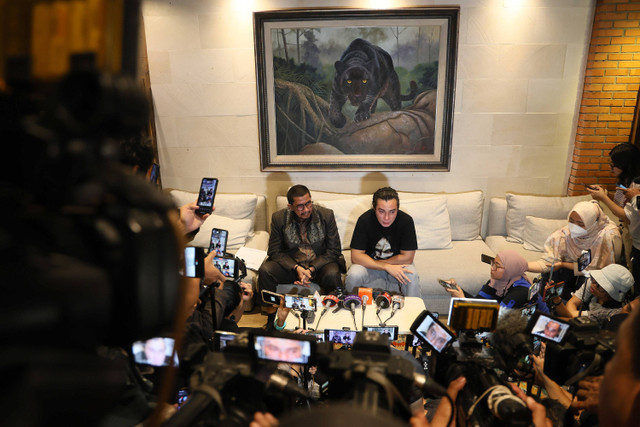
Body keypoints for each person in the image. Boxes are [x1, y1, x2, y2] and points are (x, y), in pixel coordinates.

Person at [258, 185, 346, 315]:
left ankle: (332, 312)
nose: (306, 209)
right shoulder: (279, 218)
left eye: (308, 203)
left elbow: (334, 250)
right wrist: (296, 268)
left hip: (320, 265)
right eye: (300, 206)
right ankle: (271, 313)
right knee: (266, 270)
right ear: (290, 207)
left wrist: (311, 269)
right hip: (293, 266)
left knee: (333, 274)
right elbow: (274, 251)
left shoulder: (326, 215)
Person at [527, 200, 621, 295]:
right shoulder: (563, 235)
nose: (574, 227)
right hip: (572, 270)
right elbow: (548, 263)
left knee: (588, 281)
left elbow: (601, 270)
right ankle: (551, 301)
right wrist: (523, 266)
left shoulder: (607, 237)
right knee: (551, 274)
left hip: (593, 275)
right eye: (571, 221)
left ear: (592, 223)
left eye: (580, 224)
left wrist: (563, 264)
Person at [345, 187, 421, 298]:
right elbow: (356, 257)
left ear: (397, 209)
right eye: (381, 211)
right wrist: (385, 266)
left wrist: (387, 265)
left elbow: (408, 258)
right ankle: (351, 307)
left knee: (411, 276)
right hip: (369, 266)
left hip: (397, 265)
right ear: (374, 208)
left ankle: (416, 314)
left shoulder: (406, 221)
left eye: (392, 212)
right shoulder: (364, 220)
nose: (386, 218)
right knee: (354, 274)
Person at [589, 178, 640, 297]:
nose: (612, 170)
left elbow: (628, 216)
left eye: (614, 165)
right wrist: (606, 194)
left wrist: (604, 198)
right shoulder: (631, 179)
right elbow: (624, 205)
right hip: (635, 243)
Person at [445, 250, 544, 311]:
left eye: (498, 265)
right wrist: (458, 290)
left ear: (510, 269)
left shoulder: (521, 291)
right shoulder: (496, 282)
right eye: (493, 263)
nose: (492, 268)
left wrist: (463, 300)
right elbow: (478, 302)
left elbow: (496, 318)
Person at [550, 263, 634, 325]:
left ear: (611, 295)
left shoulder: (608, 313)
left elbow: (573, 318)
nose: (593, 285)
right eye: (595, 280)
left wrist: (557, 302)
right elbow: (572, 303)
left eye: (600, 286)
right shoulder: (593, 282)